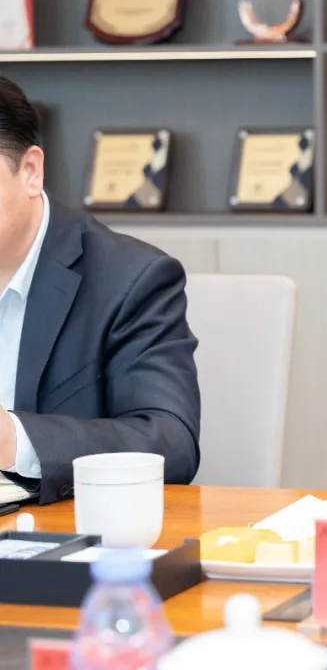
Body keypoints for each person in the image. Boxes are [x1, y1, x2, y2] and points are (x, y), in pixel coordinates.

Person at [0, 76, 201, 504]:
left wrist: (12, 440)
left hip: (53, 532)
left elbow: (170, 441)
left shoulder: (132, 279)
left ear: (30, 171)